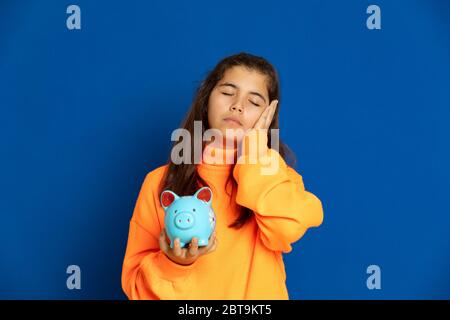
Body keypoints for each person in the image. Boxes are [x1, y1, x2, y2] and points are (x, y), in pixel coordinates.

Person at [121, 52, 324, 299]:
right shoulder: (160, 182)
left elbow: (285, 229)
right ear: (206, 100)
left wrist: (255, 155)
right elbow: (135, 289)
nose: (237, 105)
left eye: (254, 101)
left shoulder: (278, 177)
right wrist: (174, 263)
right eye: (228, 92)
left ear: (267, 116)